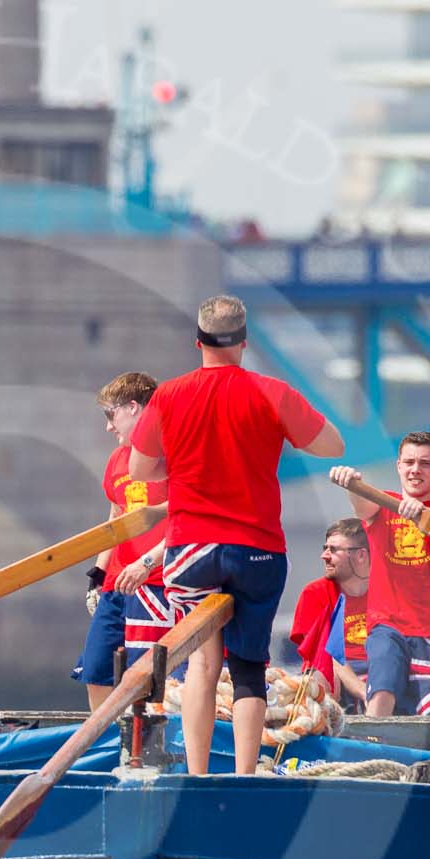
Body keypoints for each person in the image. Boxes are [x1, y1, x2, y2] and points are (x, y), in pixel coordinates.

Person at [129, 294, 346, 776]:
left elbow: (139, 470)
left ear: (198, 342)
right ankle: (246, 777)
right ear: (244, 343)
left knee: (203, 667)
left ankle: (199, 775)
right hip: (258, 551)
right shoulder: (271, 392)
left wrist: (183, 462)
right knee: (249, 668)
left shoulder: (168, 395)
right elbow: (333, 444)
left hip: (190, 550)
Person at [327, 431, 430, 718]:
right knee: (382, 688)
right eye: (409, 462)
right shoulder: (383, 505)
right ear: (399, 466)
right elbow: (362, 502)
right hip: (387, 625)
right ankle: (371, 754)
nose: (415, 470)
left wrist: (423, 514)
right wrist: (350, 482)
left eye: (425, 463)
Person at [71, 372, 170, 711]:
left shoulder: (176, 454)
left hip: (157, 584)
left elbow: (191, 517)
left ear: (133, 408)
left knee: (149, 678)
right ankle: (107, 742)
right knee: (96, 670)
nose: (108, 427)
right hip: (117, 583)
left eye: (110, 415)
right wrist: (98, 575)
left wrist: (148, 562)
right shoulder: (117, 460)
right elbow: (116, 517)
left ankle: (145, 747)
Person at [289, 518, 369, 710]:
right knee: (323, 678)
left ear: (360, 555)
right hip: (334, 676)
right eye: (325, 548)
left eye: (333, 550)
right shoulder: (314, 593)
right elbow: (325, 656)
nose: (323, 556)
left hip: (379, 671)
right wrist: (362, 690)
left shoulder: (388, 592)